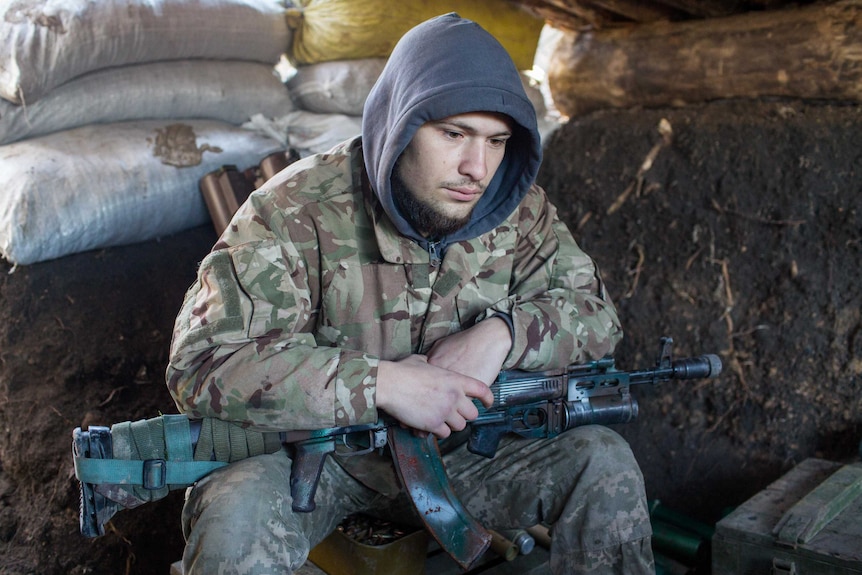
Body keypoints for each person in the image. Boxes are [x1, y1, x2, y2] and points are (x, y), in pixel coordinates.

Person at [166, 13, 654, 575]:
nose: (477, 168)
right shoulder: (294, 210)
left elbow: (595, 314)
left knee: (604, 463)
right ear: (400, 124)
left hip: (468, 455)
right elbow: (204, 364)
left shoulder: (517, 211)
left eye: (496, 142)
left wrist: (504, 334)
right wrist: (385, 383)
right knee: (233, 524)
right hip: (315, 459)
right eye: (454, 134)